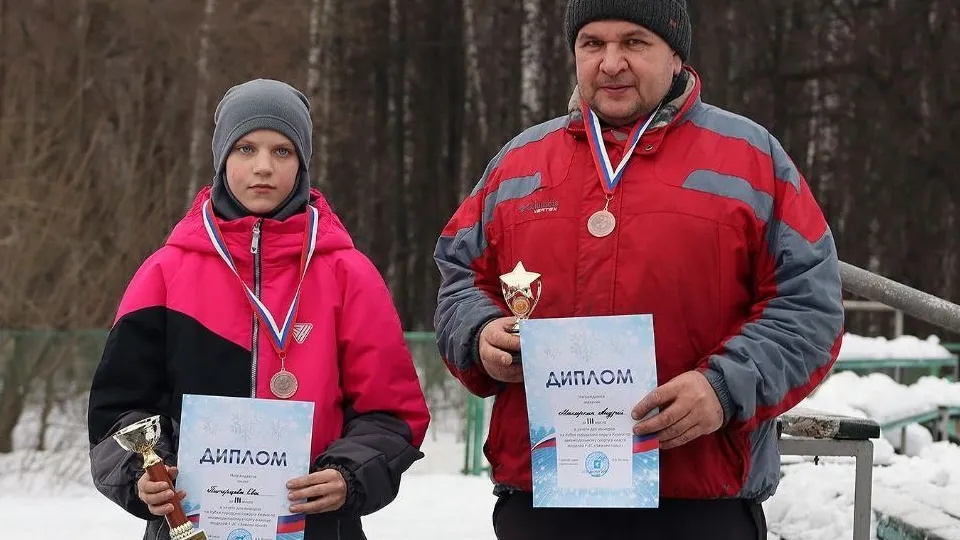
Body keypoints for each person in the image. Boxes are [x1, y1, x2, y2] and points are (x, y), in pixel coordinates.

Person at [433, 1, 843, 538]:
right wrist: (481, 334)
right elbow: (461, 278)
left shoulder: (749, 158)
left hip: (698, 499)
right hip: (543, 496)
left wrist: (722, 389)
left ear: (675, 55)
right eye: (592, 44)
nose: (610, 63)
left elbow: (808, 306)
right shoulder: (518, 163)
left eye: (633, 42)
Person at [87, 78, 430, 540]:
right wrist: (142, 475)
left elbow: (393, 412)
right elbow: (119, 408)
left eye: (282, 151)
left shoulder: (350, 274)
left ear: (303, 162)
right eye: (246, 149)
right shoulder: (165, 272)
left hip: (318, 528)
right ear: (221, 158)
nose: (263, 167)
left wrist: (348, 474)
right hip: (189, 525)